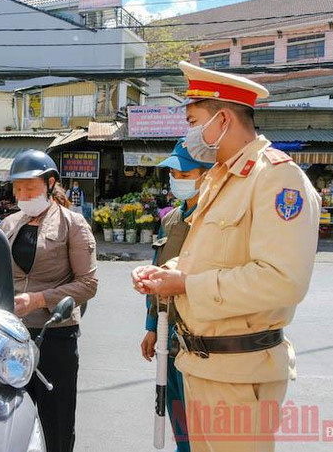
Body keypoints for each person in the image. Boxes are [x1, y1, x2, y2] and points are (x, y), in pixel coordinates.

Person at [131, 61, 320, 452]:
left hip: (240, 372)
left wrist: (185, 284)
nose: (189, 132)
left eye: (192, 120)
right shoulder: (222, 176)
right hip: (202, 365)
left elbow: (282, 280)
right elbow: (207, 257)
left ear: (221, 119)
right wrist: (164, 272)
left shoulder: (276, 178)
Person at [0, 150, 98, 452]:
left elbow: (88, 284)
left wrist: (40, 299)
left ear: (50, 183)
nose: (23, 194)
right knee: (11, 418)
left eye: (30, 187)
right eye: (18, 188)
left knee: (55, 420)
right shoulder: (9, 224)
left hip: (55, 335)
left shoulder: (73, 224)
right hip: (12, 337)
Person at [140, 138, 213, 452]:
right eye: (174, 175)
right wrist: (150, 326)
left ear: (206, 174)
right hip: (168, 327)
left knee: (202, 416)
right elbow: (158, 272)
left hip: (202, 332)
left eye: (185, 174)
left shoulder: (214, 220)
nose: (177, 181)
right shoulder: (169, 219)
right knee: (174, 406)